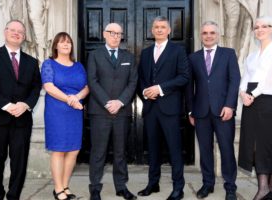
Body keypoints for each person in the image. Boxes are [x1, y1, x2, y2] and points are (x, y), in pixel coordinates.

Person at [0, 20, 42, 200]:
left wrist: (25, 105)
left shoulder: (31, 62)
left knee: (19, 163)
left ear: (24, 37)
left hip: (21, 121)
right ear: (5, 32)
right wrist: (8, 106)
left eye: (20, 32)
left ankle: (14, 196)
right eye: (12, 30)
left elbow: (36, 88)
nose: (16, 33)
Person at [185, 21, 241, 200]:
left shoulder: (228, 54)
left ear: (218, 35)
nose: (208, 36)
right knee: (205, 150)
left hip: (223, 111)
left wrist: (230, 105)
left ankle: (230, 186)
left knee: (226, 149)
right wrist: (190, 111)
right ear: (201, 36)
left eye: (211, 33)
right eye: (205, 33)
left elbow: (235, 80)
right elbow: (189, 87)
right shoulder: (193, 57)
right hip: (200, 113)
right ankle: (207, 184)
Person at [238, 16, 272, 200]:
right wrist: (243, 93)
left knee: (268, 144)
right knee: (253, 145)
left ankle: (269, 188)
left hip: (268, 100)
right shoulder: (252, 55)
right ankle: (265, 189)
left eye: (264, 26)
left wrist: (252, 94)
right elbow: (245, 78)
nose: (260, 29)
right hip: (250, 102)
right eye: (256, 27)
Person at [137, 16, 189, 200]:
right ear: (152, 30)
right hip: (151, 109)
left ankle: (178, 188)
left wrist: (159, 89)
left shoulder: (178, 51)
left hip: (170, 109)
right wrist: (145, 92)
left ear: (168, 31)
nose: (159, 30)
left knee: (175, 149)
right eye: (156, 27)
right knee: (153, 149)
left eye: (163, 27)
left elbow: (184, 76)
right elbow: (141, 78)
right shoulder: (145, 53)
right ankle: (153, 183)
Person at [87, 23, 138, 200]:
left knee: (120, 151)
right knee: (98, 152)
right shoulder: (94, 55)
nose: (116, 36)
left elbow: (132, 83)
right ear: (104, 34)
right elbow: (92, 81)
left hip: (122, 112)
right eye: (112, 33)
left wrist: (121, 102)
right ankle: (95, 187)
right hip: (100, 111)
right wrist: (108, 102)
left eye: (119, 34)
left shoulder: (129, 57)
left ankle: (121, 186)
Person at [41, 32, 89, 200]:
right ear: (55, 46)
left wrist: (78, 97)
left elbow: (87, 87)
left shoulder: (79, 66)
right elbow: (49, 87)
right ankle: (58, 188)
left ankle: (65, 185)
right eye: (62, 42)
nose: (66, 44)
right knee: (59, 150)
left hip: (75, 111)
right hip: (57, 111)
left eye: (68, 42)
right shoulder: (49, 64)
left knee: (74, 150)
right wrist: (70, 99)